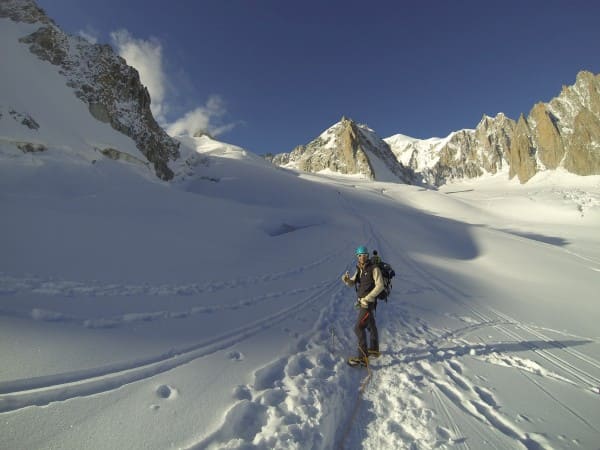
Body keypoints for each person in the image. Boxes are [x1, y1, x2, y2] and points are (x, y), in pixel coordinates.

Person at [342, 246, 384, 366]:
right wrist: (346, 280)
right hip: (363, 302)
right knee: (371, 325)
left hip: (367, 303)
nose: (362, 257)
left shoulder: (374, 268)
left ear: (368, 255)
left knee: (358, 328)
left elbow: (380, 286)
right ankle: (374, 349)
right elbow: (353, 282)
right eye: (360, 255)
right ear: (357, 256)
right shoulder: (360, 268)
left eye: (364, 254)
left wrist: (368, 298)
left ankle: (363, 358)